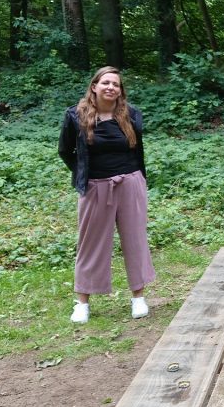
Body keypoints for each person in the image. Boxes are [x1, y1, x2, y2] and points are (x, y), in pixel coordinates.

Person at [58, 66, 155, 324]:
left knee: (135, 240)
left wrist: (138, 178)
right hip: (94, 186)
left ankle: (138, 298)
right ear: (94, 86)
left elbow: (136, 150)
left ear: (120, 90)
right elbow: (65, 151)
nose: (111, 87)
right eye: (106, 83)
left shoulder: (131, 114)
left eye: (116, 84)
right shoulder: (75, 115)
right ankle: (82, 303)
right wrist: (84, 173)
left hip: (130, 183)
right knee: (90, 244)